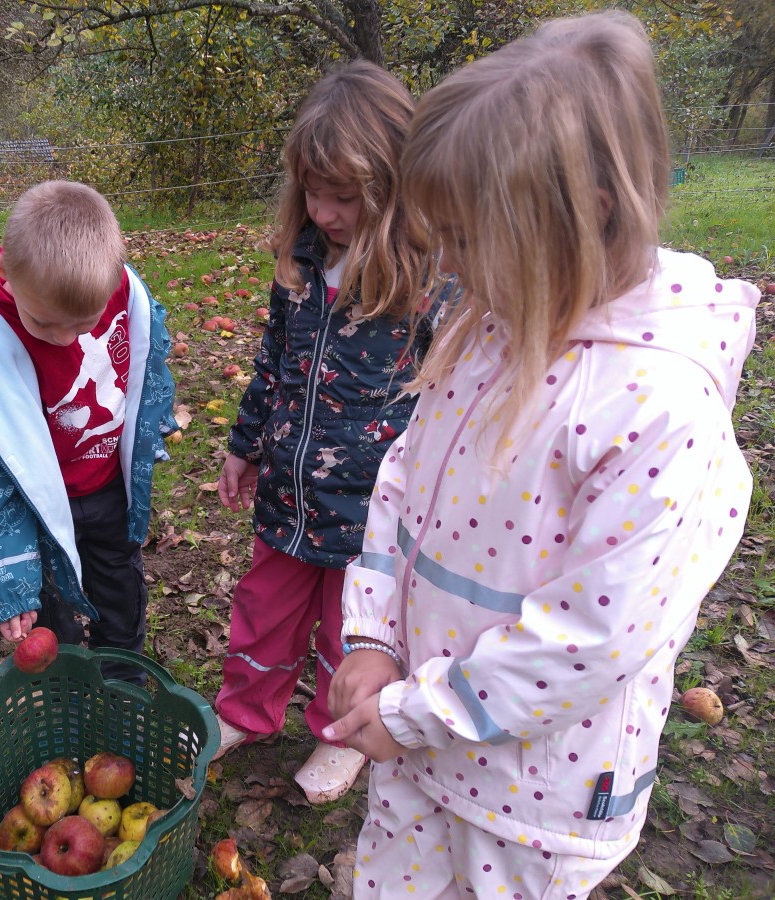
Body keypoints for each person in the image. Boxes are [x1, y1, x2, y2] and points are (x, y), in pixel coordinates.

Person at [325, 12, 759, 898]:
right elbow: (403, 477)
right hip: (420, 745)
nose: (446, 261)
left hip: (530, 798)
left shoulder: (658, 412)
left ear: (581, 218)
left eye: (466, 237)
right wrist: (372, 636)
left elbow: (591, 638)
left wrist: (416, 712)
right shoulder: (494, 325)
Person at [213, 60, 445, 805]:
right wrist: (244, 445)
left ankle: (337, 734)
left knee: (350, 633)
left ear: (390, 187)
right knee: (262, 609)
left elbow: (452, 394)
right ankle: (245, 712)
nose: (322, 210)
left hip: (370, 511)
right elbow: (273, 363)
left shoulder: (426, 282)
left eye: (342, 196)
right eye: (310, 191)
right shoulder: (302, 263)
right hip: (288, 491)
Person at [0, 180, 176, 684]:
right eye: (45, 323)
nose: (64, 340)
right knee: (48, 613)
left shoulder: (125, 296)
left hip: (105, 487)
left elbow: (146, 364)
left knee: (120, 590)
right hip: (35, 506)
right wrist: (9, 583)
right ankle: (65, 693)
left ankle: (123, 685)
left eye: (83, 326)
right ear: (7, 273)